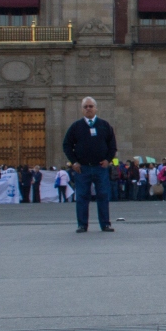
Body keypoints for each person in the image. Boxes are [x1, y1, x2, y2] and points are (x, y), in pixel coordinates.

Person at [62, 96, 117, 233]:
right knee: (81, 197)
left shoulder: (104, 125)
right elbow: (67, 145)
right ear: (82, 110)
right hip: (83, 168)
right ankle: (82, 224)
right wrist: (74, 162)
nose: (88, 109)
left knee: (103, 195)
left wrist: (107, 160)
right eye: (85, 107)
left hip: (100, 168)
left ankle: (105, 224)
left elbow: (112, 145)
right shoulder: (76, 127)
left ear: (96, 108)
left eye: (90, 106)